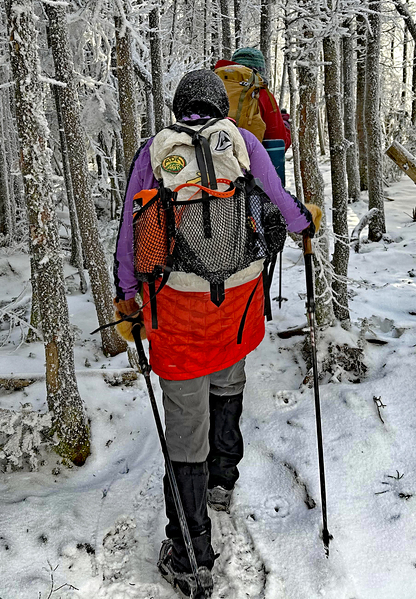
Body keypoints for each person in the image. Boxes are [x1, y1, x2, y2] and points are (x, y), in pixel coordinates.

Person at [112, 69, 321, 597]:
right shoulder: (243, 143)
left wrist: (126, 296)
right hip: (237, 300)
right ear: (219, 107)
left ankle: (190, 556)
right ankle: (223, 481)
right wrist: (308, 225)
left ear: (180, 108)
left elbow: (128, 236)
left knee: (185, 423)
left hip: (177, 312)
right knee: (228, 379)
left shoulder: (154, 153)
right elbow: (281, 202)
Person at [213, 47, 291, 150]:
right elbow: (278, 142)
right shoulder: (262, 93)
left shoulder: (212, 88)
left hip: (210, 161)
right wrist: (285, 125)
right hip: (249, 163)